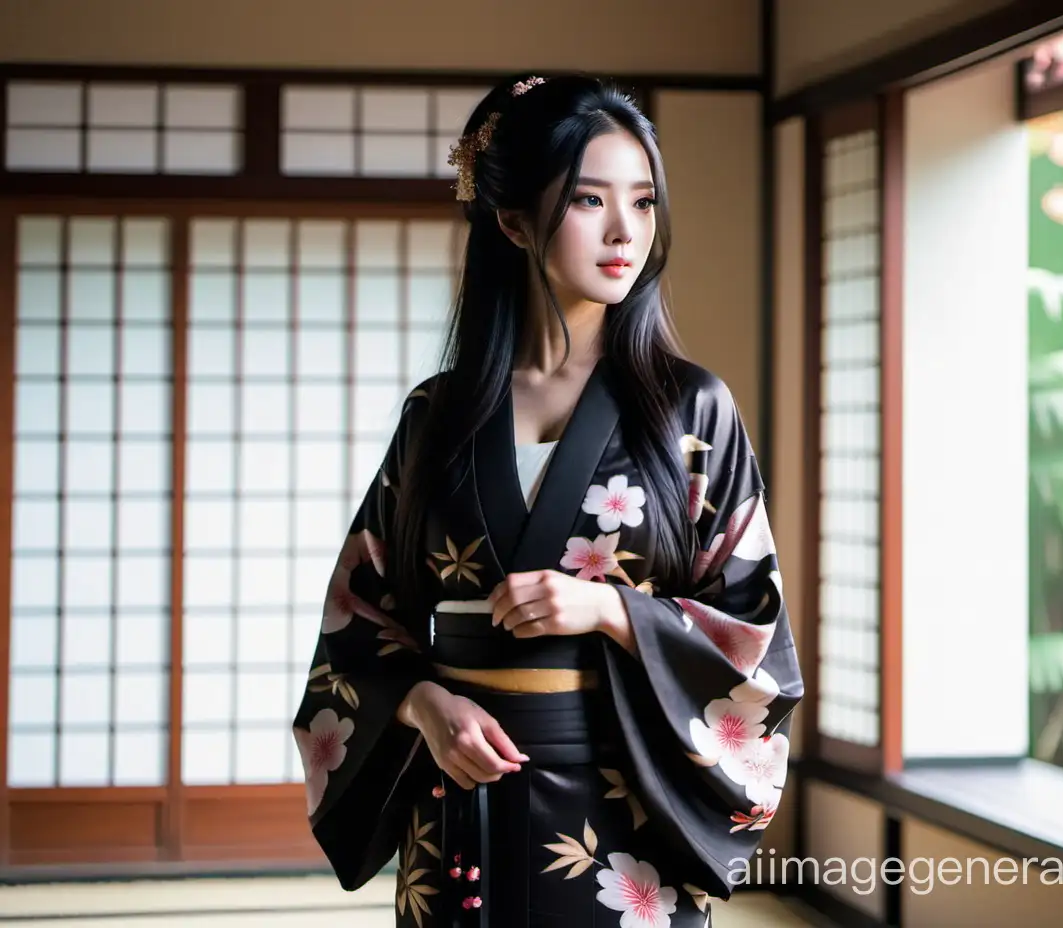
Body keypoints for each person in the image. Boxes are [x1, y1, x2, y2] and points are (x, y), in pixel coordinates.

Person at [291, 72, 803, 928]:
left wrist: (609, 610)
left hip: (627, 817)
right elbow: (359, 622)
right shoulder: (437, 417)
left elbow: (754, 635)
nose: (624, 232)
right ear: (514, 221)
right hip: (460, 806)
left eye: (642, 203)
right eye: (589, 200)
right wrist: (422, 703)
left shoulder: (691, 408)